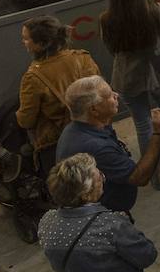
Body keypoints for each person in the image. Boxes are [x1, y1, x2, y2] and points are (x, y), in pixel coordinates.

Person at [56, 76, 160, 213]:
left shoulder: (78, 129)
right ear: (94, 110)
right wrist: (158, 133)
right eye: (110, 95)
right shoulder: (96, 147)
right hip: (105, 216)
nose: (116, 95)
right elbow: (139, 177)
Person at [98, 0, 160, 157]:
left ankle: (153, 173)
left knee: (143, 125)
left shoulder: (106, 19)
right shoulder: (154, 10)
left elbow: (112, 48)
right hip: (159, 72)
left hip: (126, 77)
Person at [19, 16, 101, 172]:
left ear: (41, 44)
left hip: (57, 143)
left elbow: (26, 120)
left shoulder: (32, 78)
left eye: (26, 39)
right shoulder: (83, 58)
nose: (23, 42)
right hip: (95, 130)